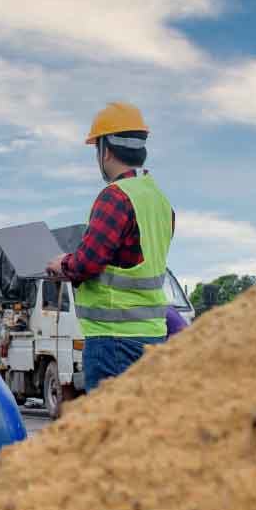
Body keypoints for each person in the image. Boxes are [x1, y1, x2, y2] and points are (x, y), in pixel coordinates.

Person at [45, 102, 175, 392]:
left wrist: (62, 264)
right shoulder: (160, 201)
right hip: (152, 337)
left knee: (110, 432)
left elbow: (88, 263)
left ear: (105, 150)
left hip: (114, 341)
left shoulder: (115, 197)